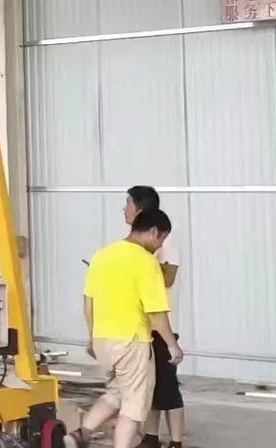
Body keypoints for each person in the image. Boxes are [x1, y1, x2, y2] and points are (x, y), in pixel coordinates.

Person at [73, 208, 184, 448]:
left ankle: (79, 436)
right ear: (153, 231)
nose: (160, 246)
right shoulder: (146, 262)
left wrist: (92, 337)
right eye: (162, 239)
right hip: (132, 342)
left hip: (103, 341)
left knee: (116, 394)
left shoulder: (101, 255)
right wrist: (172, 345)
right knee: (133, 408)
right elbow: (156, 312)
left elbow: (88, 302)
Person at [124, 186, 185, 448]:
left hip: (161, 326)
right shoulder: (134, 244)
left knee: (167, 388)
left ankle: (176, 441)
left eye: (128, 204)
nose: (124, 209)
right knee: (148, 386)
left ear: (141, 208)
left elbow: (168, 278)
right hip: (139, 326)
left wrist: (138, 267)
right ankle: (151, 437)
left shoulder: (165, 240)